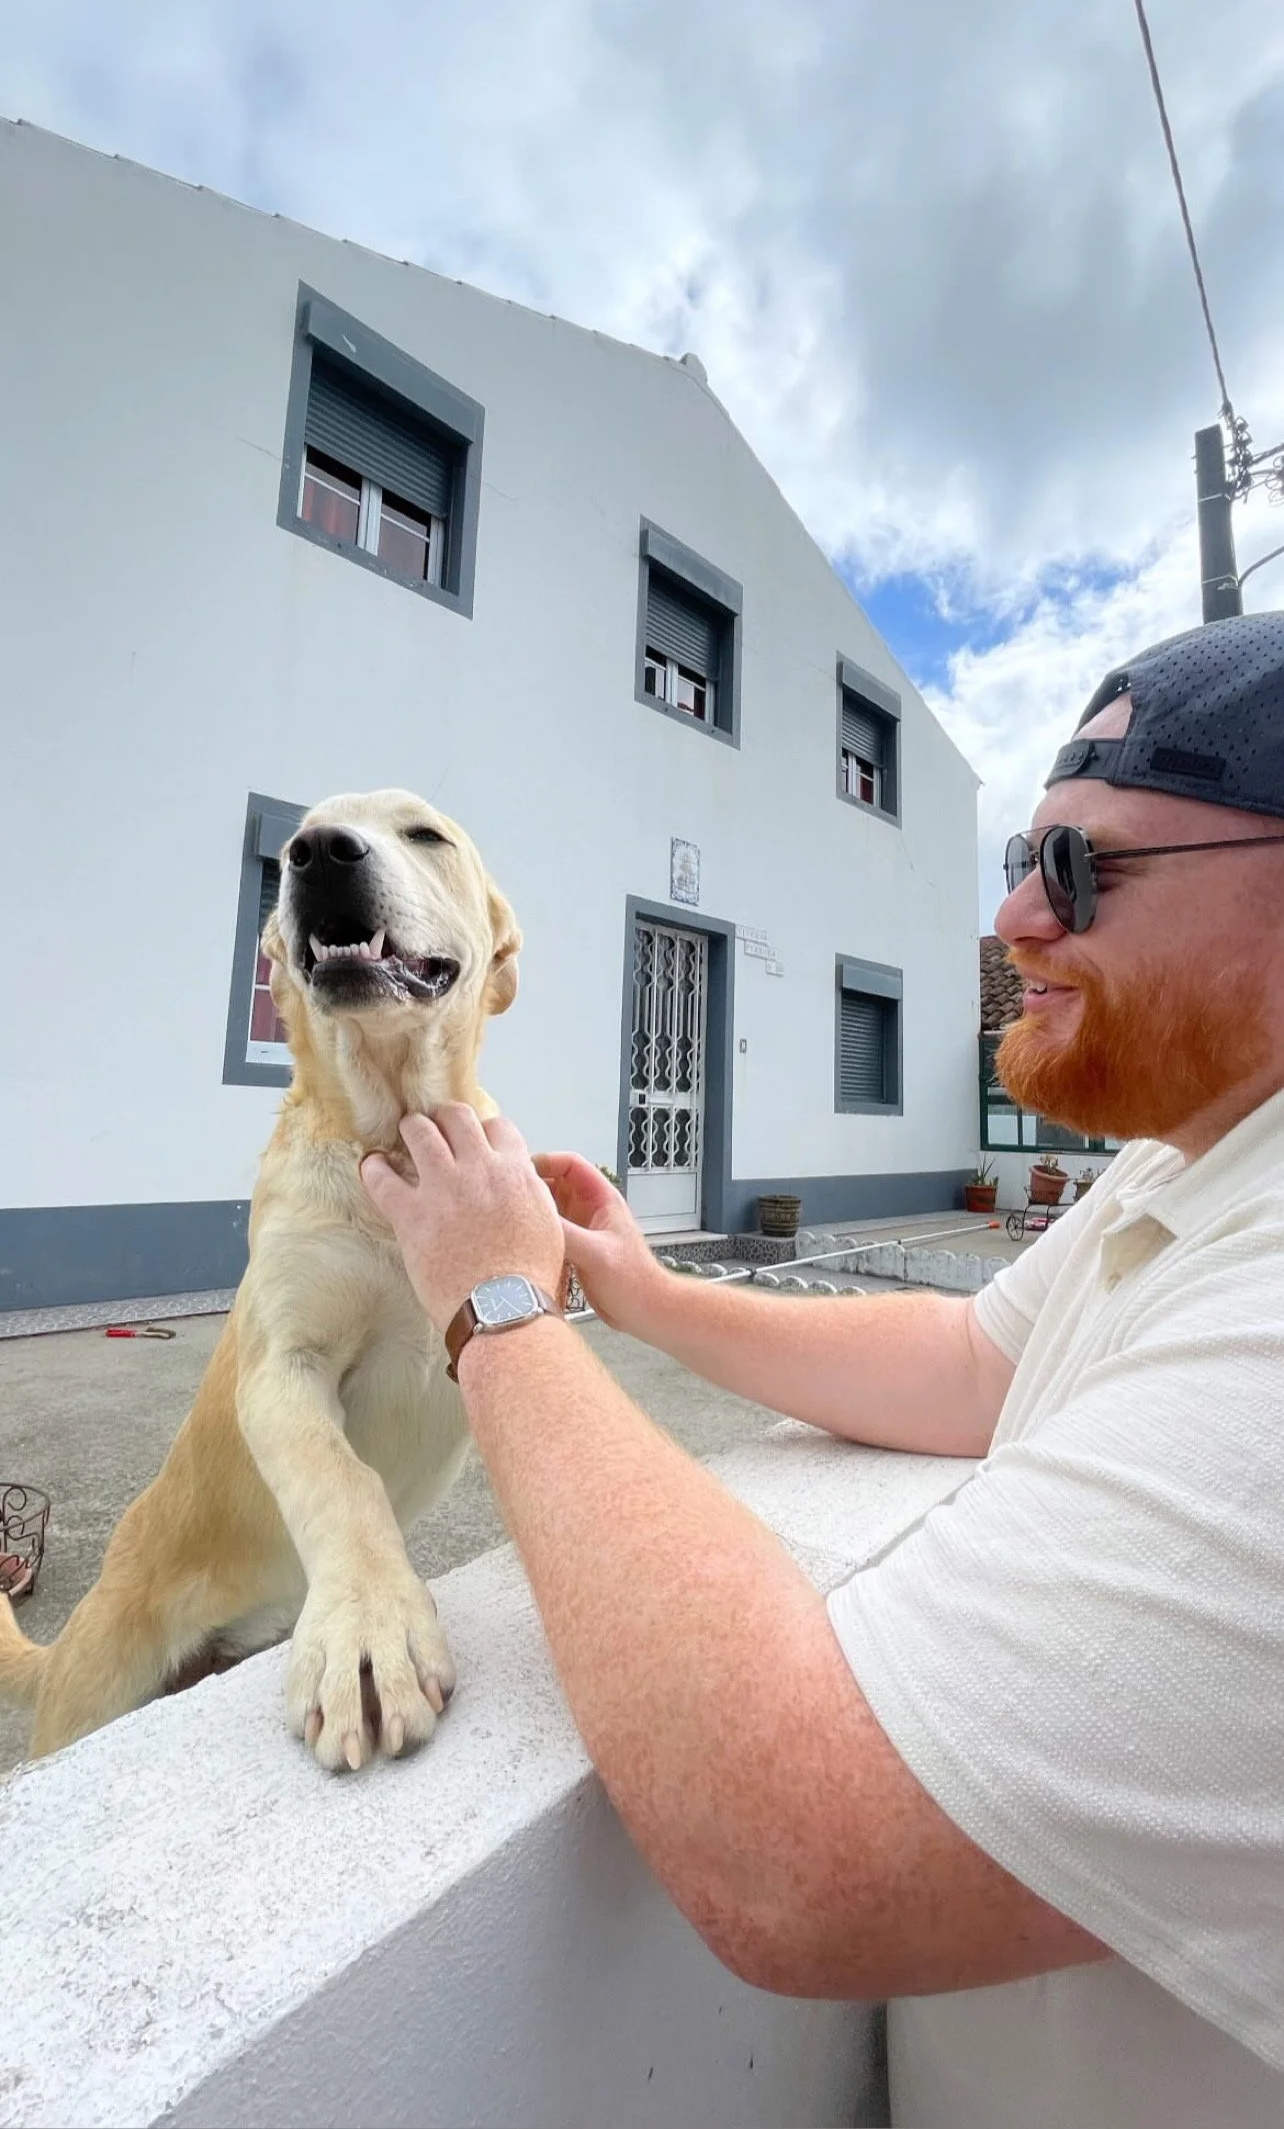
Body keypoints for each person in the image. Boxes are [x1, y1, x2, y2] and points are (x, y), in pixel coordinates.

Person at [361, 611, 1284, 2129]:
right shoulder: (1184, 1160)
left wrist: (498, 1313)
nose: (1011, 923)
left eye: (1077, 870)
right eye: (1017, 858)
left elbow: (794, 1838)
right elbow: (964, 1357)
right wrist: (641, 1292)